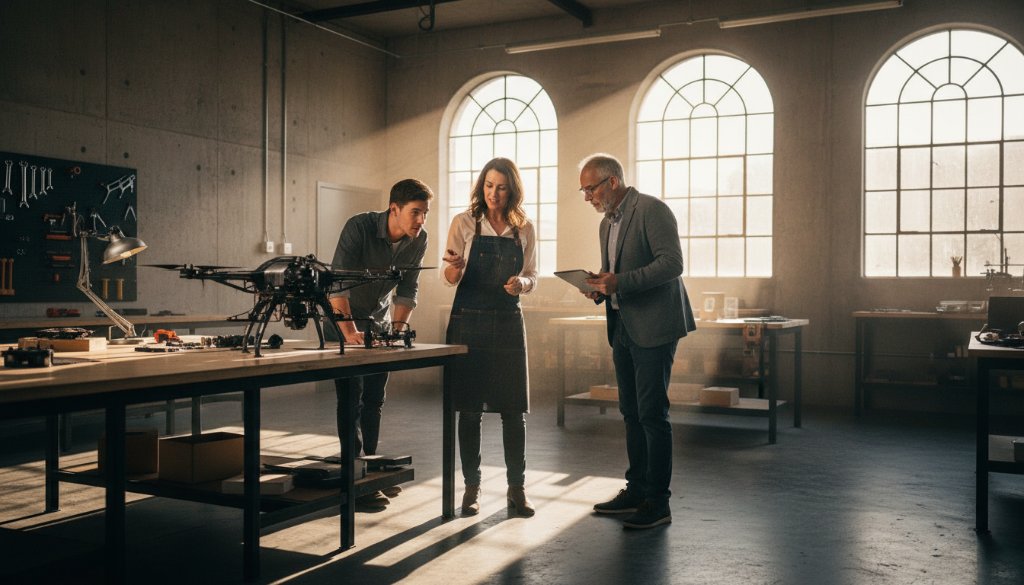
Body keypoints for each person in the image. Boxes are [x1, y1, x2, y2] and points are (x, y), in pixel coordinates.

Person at [578, 153, 696, 529]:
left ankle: (658, 503)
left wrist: (620, 282)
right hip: (623, 325)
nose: (587, 198)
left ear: (612, 182)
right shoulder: (605, 225)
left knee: (652, 415)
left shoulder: (652, 209)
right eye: (583, 191)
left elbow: (673, 263)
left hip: (655, 326)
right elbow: (618, 275)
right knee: (630, 412)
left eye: (590, 188)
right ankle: (637, 489)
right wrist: (601, 287)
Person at [442, 157, 539, 518]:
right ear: (480, 186)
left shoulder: (524, 228)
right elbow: (448, 276)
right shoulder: (464, 223)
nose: (493, 194)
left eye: (500, 187)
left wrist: (522, 284)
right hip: (468, 321)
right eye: (488, 185)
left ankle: (517, 489)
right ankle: (472, 488)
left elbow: (532, 275)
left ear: (511, 189)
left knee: (514, 411)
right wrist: (454, 270)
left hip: (509, 321)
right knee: (469, 411)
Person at [329, 178, 432, 509]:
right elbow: (338, 284)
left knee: (374, 399)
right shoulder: (358, 228)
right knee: (351, 398)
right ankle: (355, 479)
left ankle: (370, 471)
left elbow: (408, 290)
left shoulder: (419, 239)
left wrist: (399, 330)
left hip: (378, 319)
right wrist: (348, 333)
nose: (421, 220)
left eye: (425, 213)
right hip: (343, 317)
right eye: (415, 212)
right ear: (395, 209)